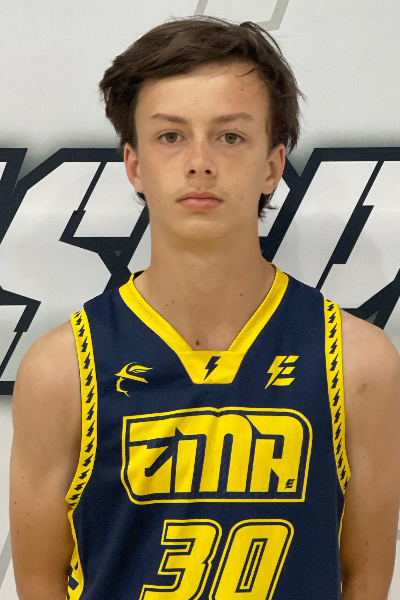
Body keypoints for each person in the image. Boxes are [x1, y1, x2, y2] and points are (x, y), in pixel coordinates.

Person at [10, 15, 400, 600]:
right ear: (134, 165)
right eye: (171, 136)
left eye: (230, 136)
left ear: (272, 166)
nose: (200, 162)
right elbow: (40, 583)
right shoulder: (61, 370)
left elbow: (365, 580)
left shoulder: (356, 362)